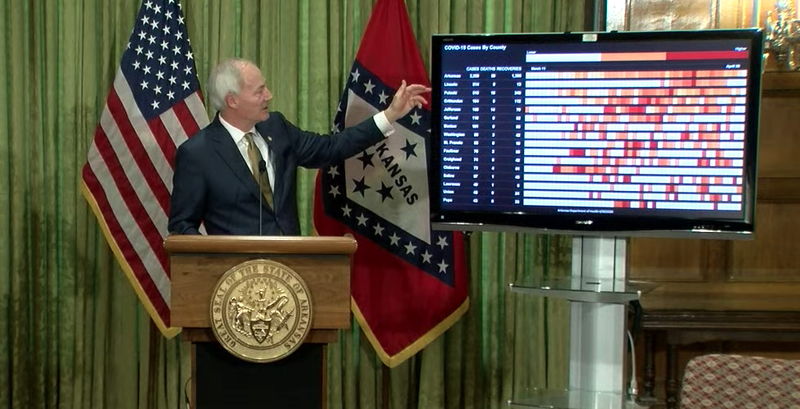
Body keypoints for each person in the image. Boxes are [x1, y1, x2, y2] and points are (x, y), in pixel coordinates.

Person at [168, 58, 430, 236]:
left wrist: (389, 115)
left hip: (290, 278)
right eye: (259, 91)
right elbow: (182, 227)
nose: (268, 95)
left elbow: (330, 148)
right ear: (232, 101)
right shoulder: (197, 153)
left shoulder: (276, 128)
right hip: (236, 288)